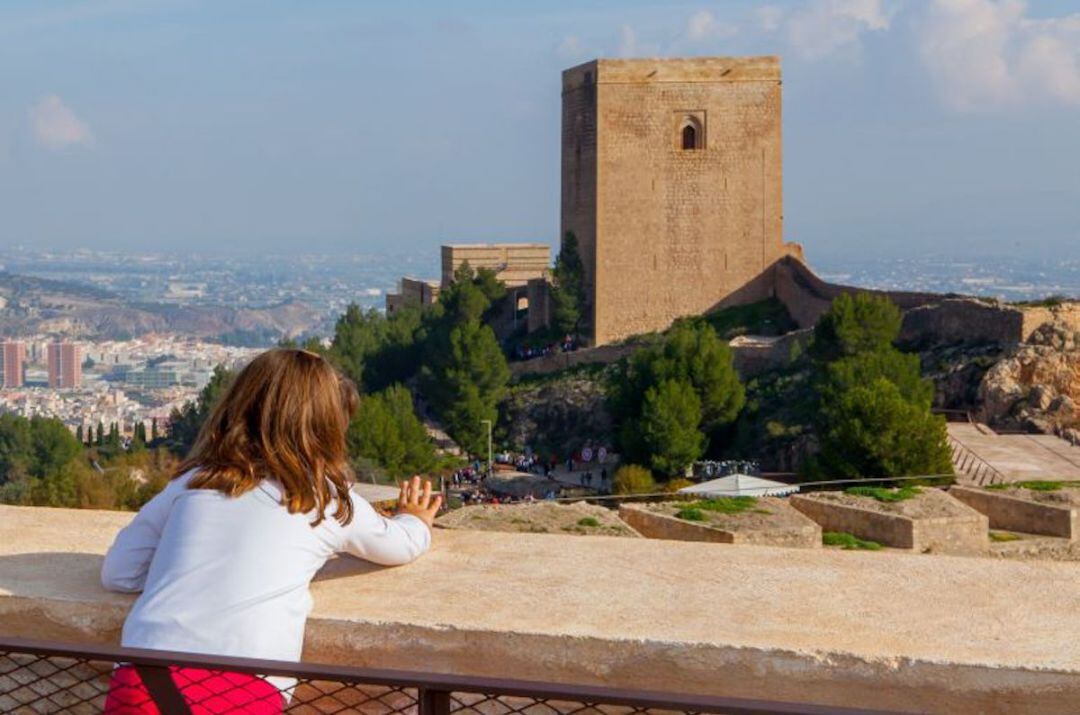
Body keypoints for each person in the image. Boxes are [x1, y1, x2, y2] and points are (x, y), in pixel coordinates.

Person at [100, 349, 441, 714]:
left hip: (144, 685)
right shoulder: (323, 498)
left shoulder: (193, 483)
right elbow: (401, 546)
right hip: (241, 693)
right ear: (326, 424)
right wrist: (415, 519)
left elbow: (118, 573)